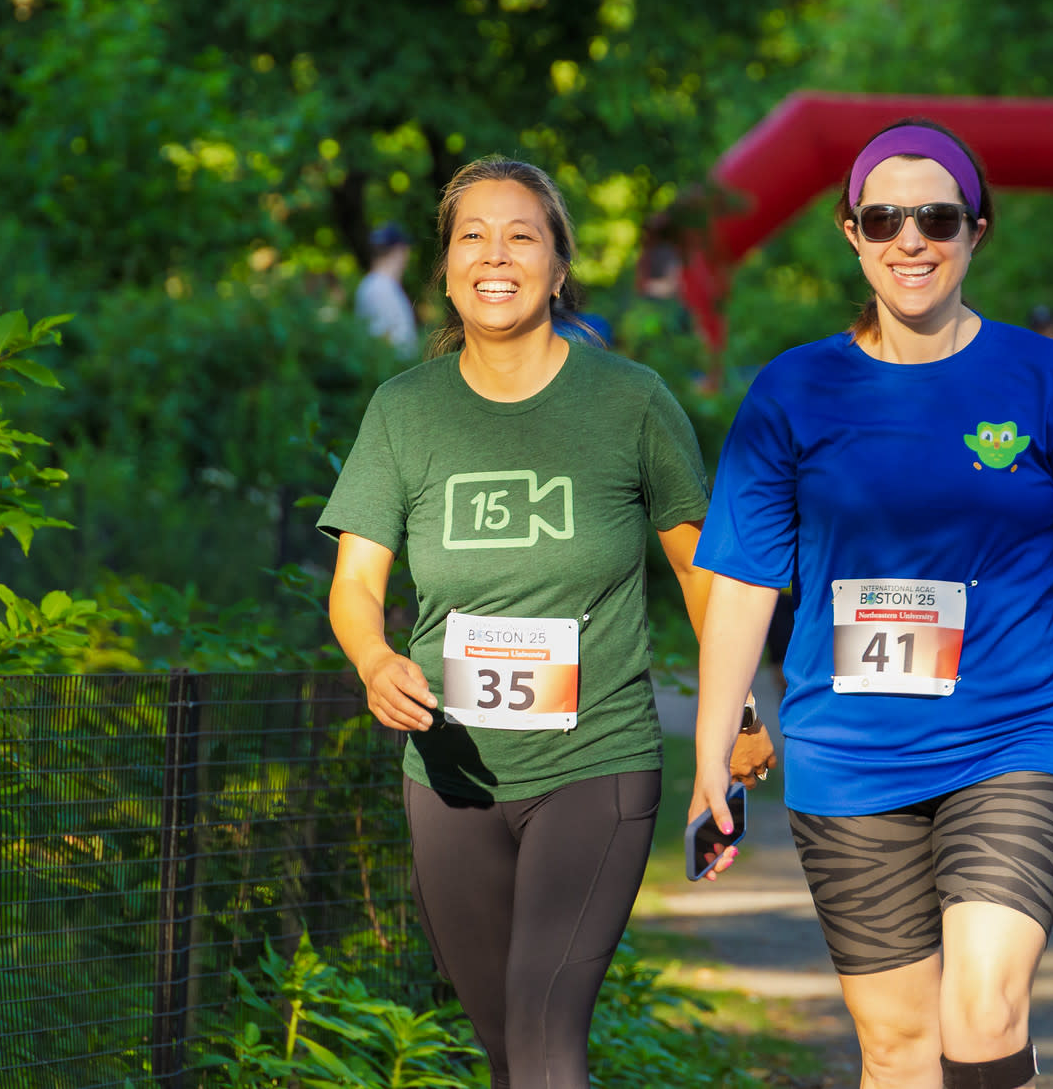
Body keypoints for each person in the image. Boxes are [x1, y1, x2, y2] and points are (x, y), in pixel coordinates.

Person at [688, 119, 1053, 1089]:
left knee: (982, 1011)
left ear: (974, 231)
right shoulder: (793, 391)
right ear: (851, 233)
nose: (911, 239)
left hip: (1016, 738)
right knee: (898, 1049)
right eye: (885, 218)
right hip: (848, 757)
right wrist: (711, 756)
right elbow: (740, 585)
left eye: (936, 217)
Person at [319, 157, 776, 1089]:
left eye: (522, 234)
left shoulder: (631, 400)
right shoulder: (404, 411)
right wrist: (372, 659)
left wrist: (736, 718)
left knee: (542, 1026)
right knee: (505, 1046)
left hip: (595, 761)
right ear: (444, 269)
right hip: (448, 769)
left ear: (560, 267)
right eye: (471, 237)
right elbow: (355, 583)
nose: (496, 255)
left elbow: (701, 571)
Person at [355, 222, 420, 355]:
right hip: (394, 372)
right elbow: (381, 340)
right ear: (398, 251)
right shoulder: (379, 288)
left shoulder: (380, 285)